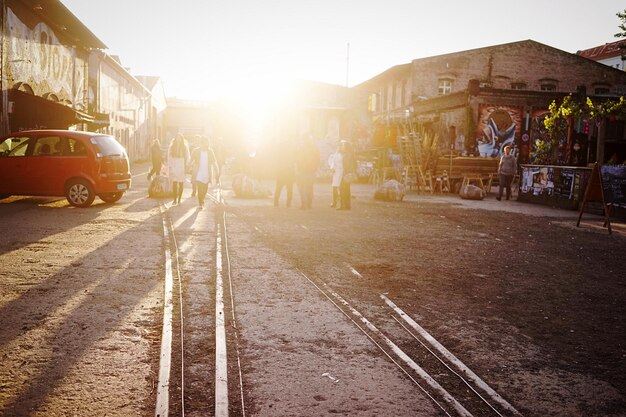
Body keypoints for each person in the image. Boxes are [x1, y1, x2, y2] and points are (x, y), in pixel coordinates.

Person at [190, 136, 219, 208]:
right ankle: (200, 203)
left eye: (206, 143)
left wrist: (217, 170)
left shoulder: (210, 151)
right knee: (200, 187)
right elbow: (191, 159)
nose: (205, 144)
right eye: (203, 142)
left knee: (205, 188)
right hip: (198, 172)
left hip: (207, 172)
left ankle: (202, 198)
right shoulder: (196, 151)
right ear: (201, 143)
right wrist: (189, 165)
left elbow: (214, 161)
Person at [296, 135, 320, 209]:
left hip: (304, 170)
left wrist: (299, 168)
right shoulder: (315, 148)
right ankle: (309, 204)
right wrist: (315, 168)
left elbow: (299, 159)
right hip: (312, 170)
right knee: (310, 187)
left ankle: (304, 204)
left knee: (303, 187)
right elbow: (318, 159)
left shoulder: (302, 148)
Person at [273, 139, 297, 207]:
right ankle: (288, 204)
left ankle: (276, 203)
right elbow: (294, 161)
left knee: (278, 188)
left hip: (281, 172)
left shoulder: (279, 152)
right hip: (289, 172)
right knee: (289, 189)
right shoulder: (292, 151)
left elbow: (276, 162)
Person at [168, 134, 190, 205]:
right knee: (174, 183)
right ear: (175, 139)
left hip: (181, 164)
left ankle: (179, 199)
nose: (178, 139)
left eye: (180, 138)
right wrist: (170, 166)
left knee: (181, 183)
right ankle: (174, 199)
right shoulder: (172, 147)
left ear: (182, 139)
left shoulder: (184, 147)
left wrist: (186, 166)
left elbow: (187, 157)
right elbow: (169, 156)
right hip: (174, 164)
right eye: (177, 138)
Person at [337, 140, 357, 210]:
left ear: (346, 147)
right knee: (347, 190)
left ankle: (343, 205)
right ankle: (347, 206)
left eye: (343, 145)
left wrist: (343, 172)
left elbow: (346, 165)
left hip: (345, 174)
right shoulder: (350, 154)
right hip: (348, 174)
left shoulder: (347, 155)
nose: (342, 147)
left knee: (342, 189)